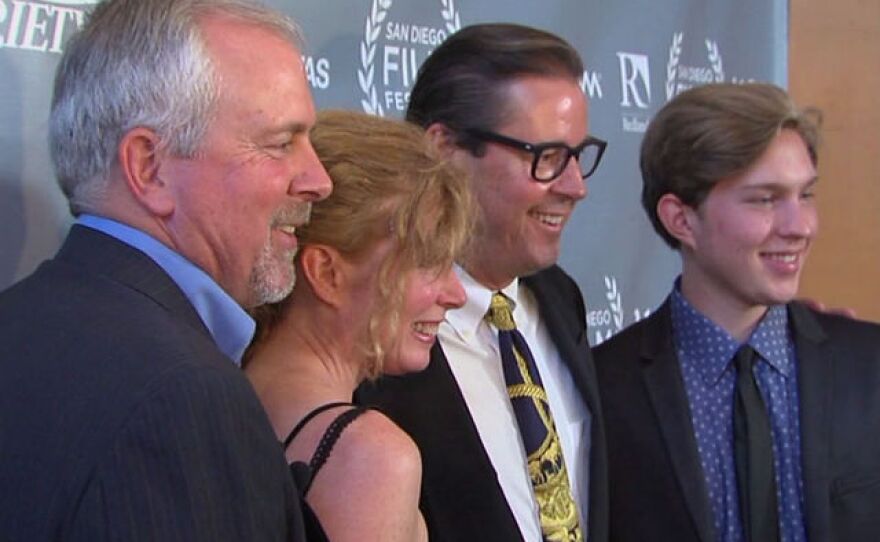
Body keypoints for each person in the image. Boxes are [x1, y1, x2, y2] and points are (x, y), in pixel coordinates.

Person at [0, 0, 331, 539]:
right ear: (149, 168)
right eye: (280, 144)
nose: (319, 179)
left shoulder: (17, 323)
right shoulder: (183, 398)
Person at [593, 83, 880, 542]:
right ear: (681, 219)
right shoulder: (603, 389)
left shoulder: (868, 366)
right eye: (765, 199)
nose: (800, 226)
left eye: (805, 195)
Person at [358, 23, 609, 542]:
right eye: (546, 158)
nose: (575, 187)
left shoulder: (561, 300)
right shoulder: (371, 331)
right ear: (444, 149)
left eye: (578, 156)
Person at [244, 109, 472, 542]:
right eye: (427, 263)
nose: (455, 293)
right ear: (326, 273)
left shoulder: (225, 396)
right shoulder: (371, 455)